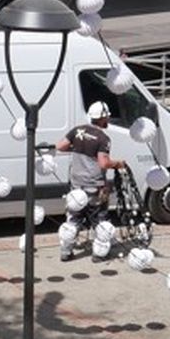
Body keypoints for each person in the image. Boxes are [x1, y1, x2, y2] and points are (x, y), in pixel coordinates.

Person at [56, 101, 121, 260]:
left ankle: (66, 252)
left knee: (73, 219)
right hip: (94, 186)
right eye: (107, 117)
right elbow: (104, 163)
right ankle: (98, 255)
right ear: (102, 118)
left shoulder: (77, 131)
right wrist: (119, 164)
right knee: (99, 221)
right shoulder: (103, 138)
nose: (108, 120)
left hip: (76, 185)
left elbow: (60, 146)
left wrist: (78, 148)